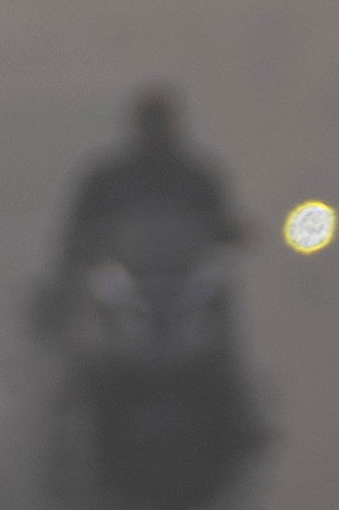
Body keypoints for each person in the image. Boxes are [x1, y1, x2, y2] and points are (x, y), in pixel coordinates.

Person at [39, 83, 245, 340]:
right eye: (151, 123)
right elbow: (78, 229)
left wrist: (232, 233)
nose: (155, 132)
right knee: (82, 323)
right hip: (125, 284)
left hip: (185, 285)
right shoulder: (107, 179)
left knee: (218, 302)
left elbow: (222, 224)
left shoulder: (195, 177)